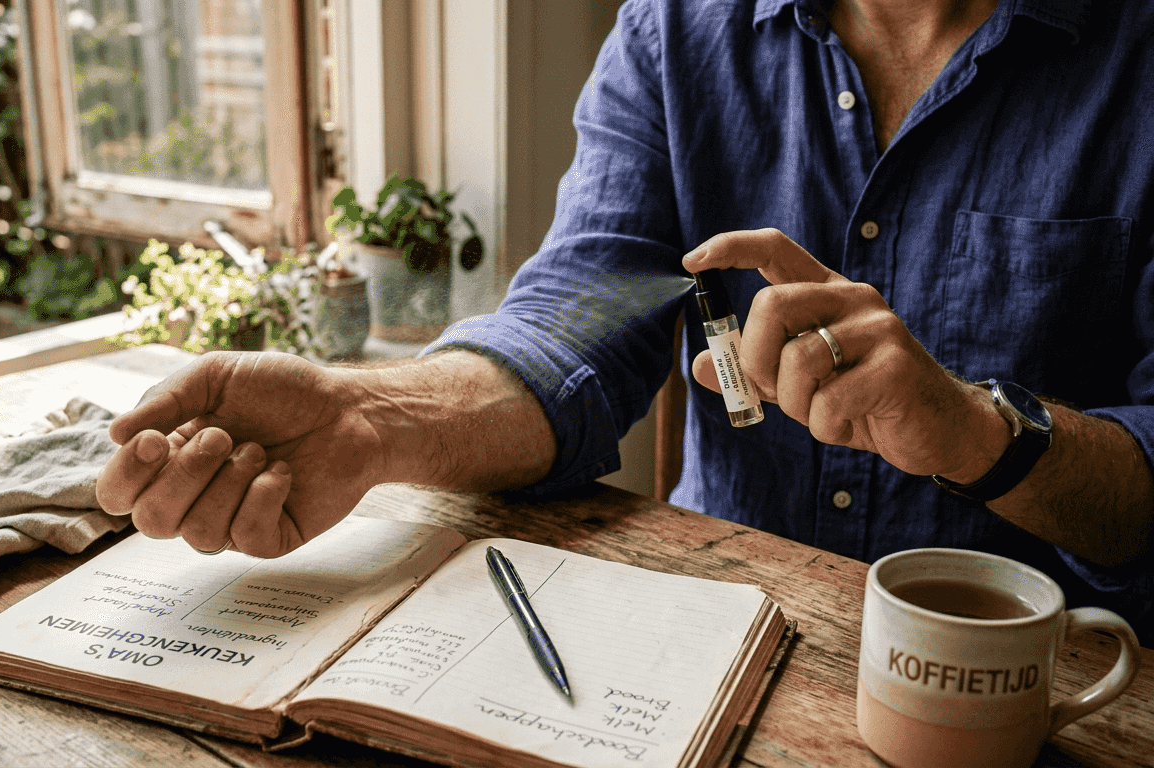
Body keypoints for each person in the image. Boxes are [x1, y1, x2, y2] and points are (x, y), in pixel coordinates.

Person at [96, 0, 1154, 641]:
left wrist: (978, 433)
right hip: (701, 639)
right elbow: (581, 318)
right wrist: (370, 416)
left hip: (1035, 689)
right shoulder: (673, 31)